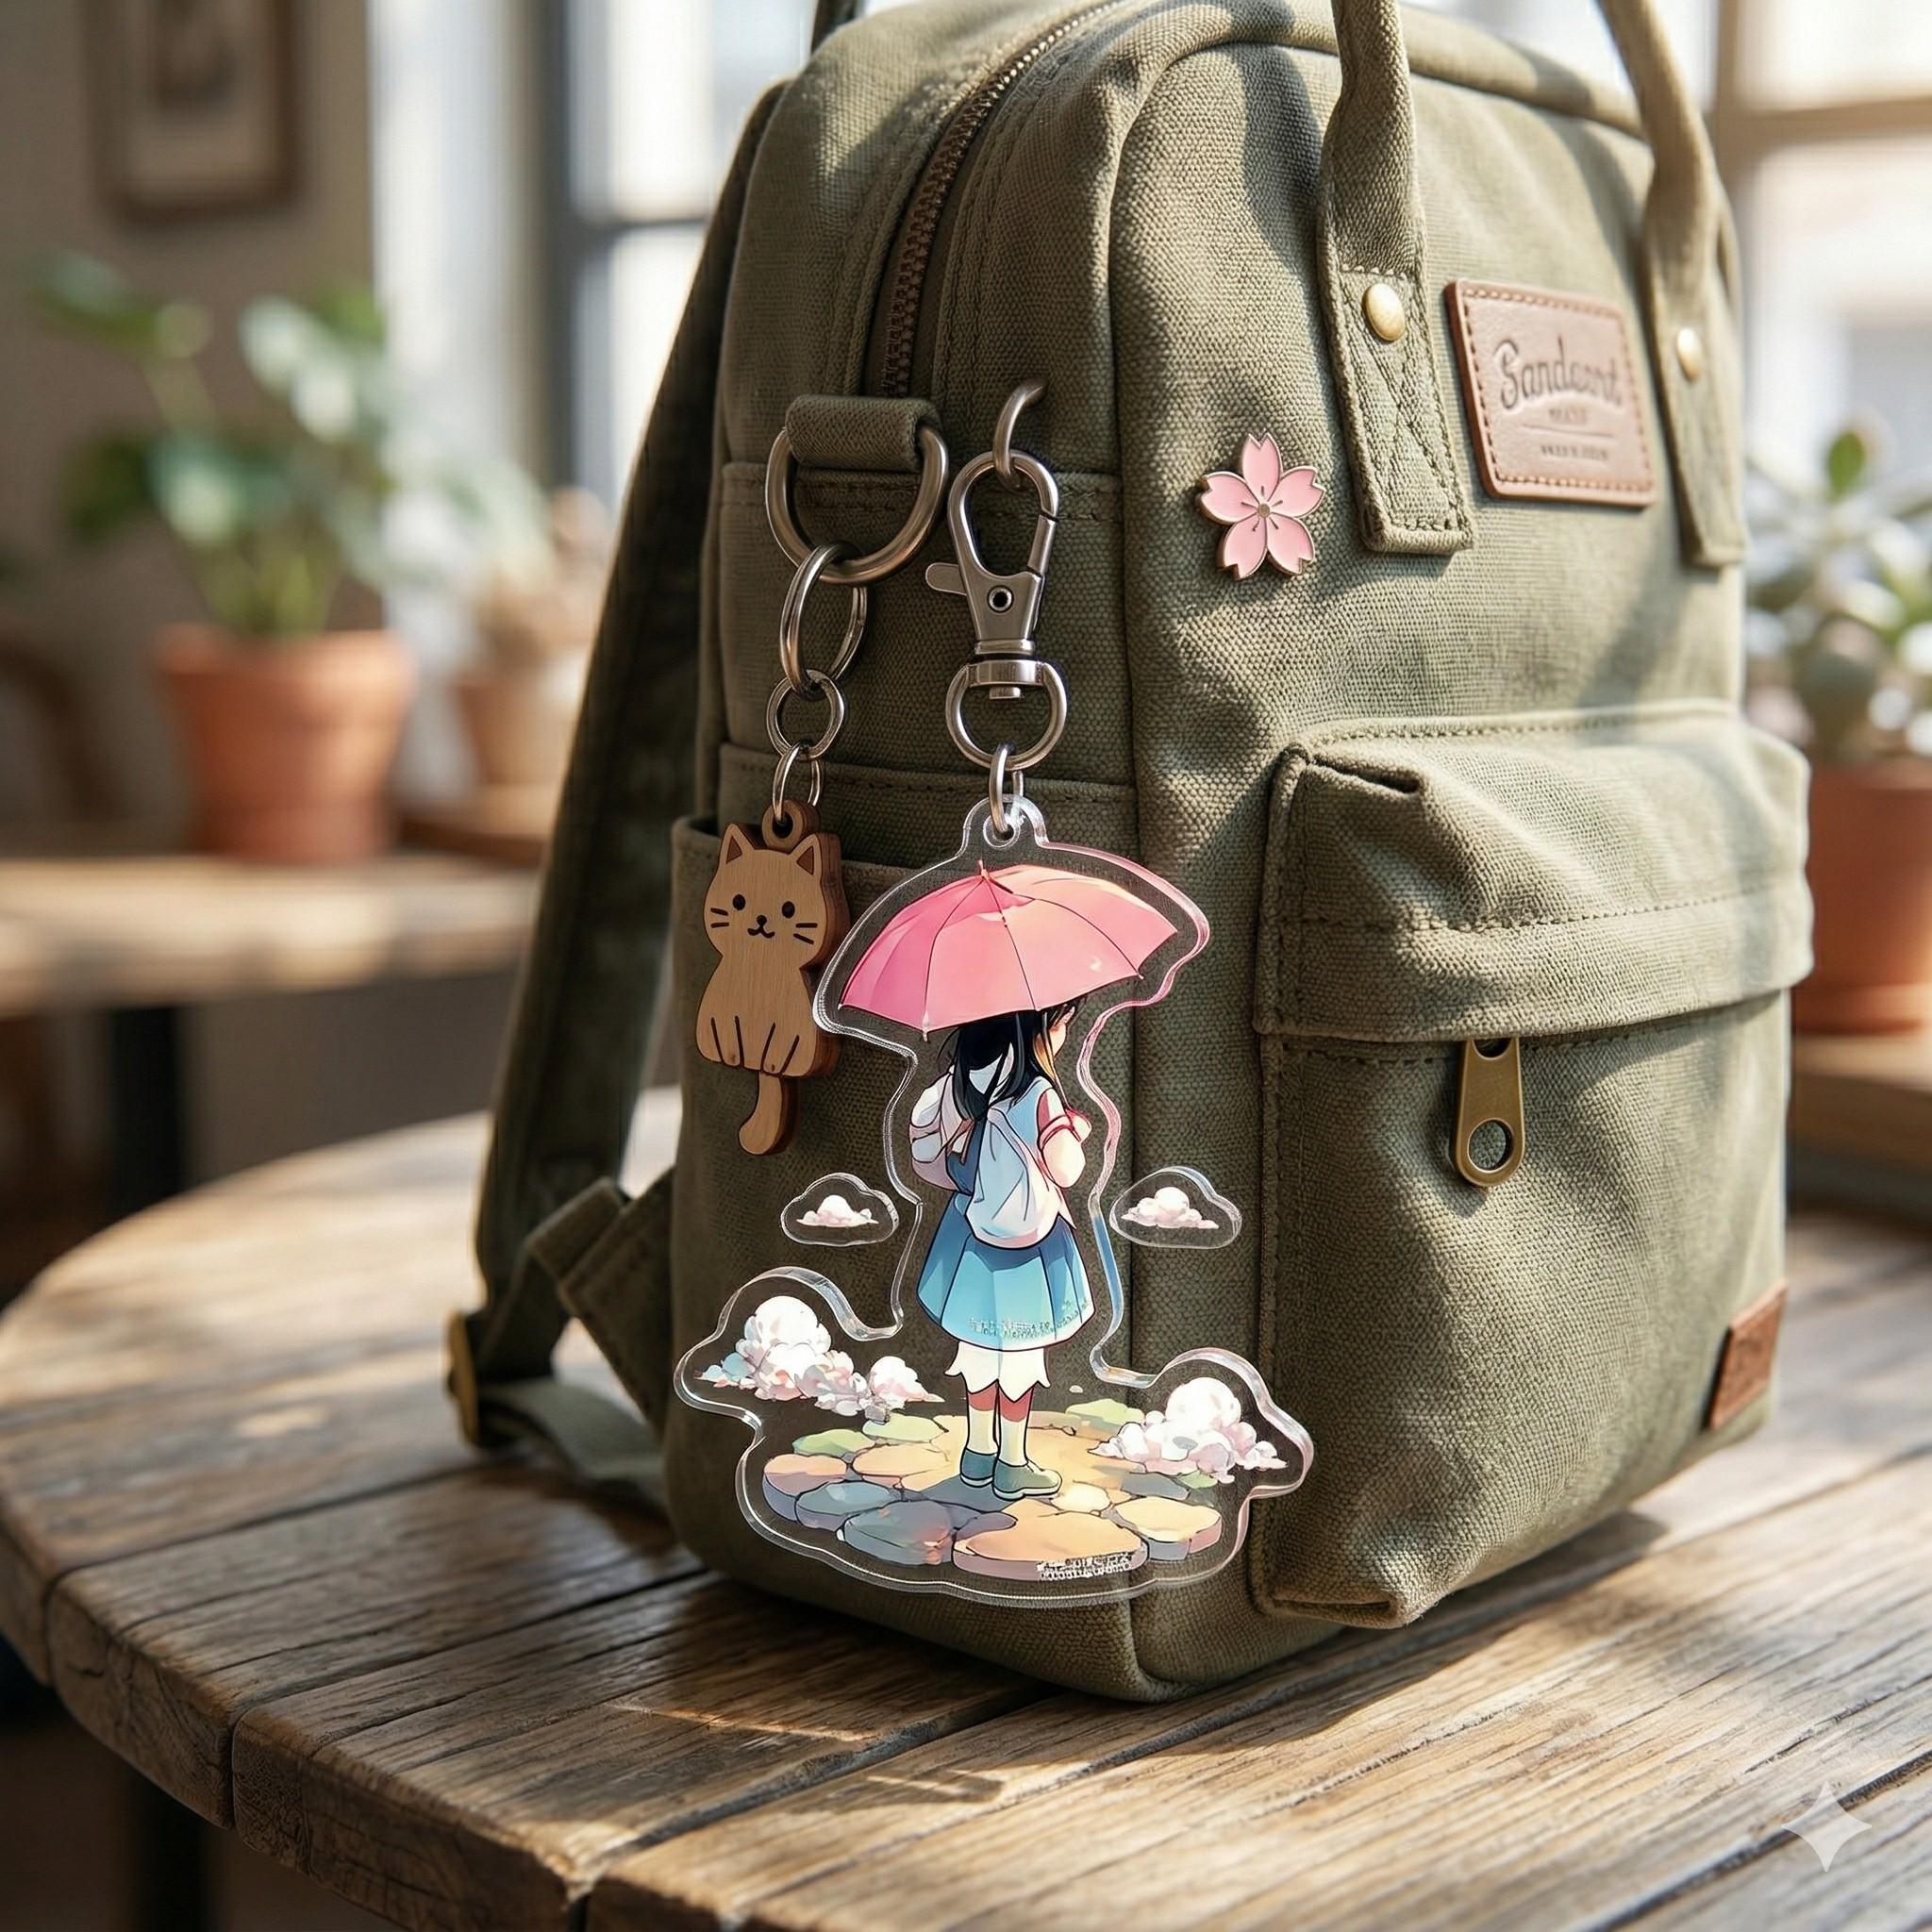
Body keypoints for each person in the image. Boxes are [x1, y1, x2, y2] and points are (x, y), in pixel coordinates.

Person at [908, 1002, 1093, 1500]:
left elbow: (927, 1157)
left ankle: (977, 1452)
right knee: (1020, 1360)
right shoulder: (1037, 1094)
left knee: (977, 1353)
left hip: (969, 1240)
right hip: (1028, 1252)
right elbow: (1068, 1169)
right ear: (1035, 1029)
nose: (1062, 1034)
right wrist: (1073, 1129)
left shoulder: (958, 1085)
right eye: (1059, 1024)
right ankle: (1012, 1462)